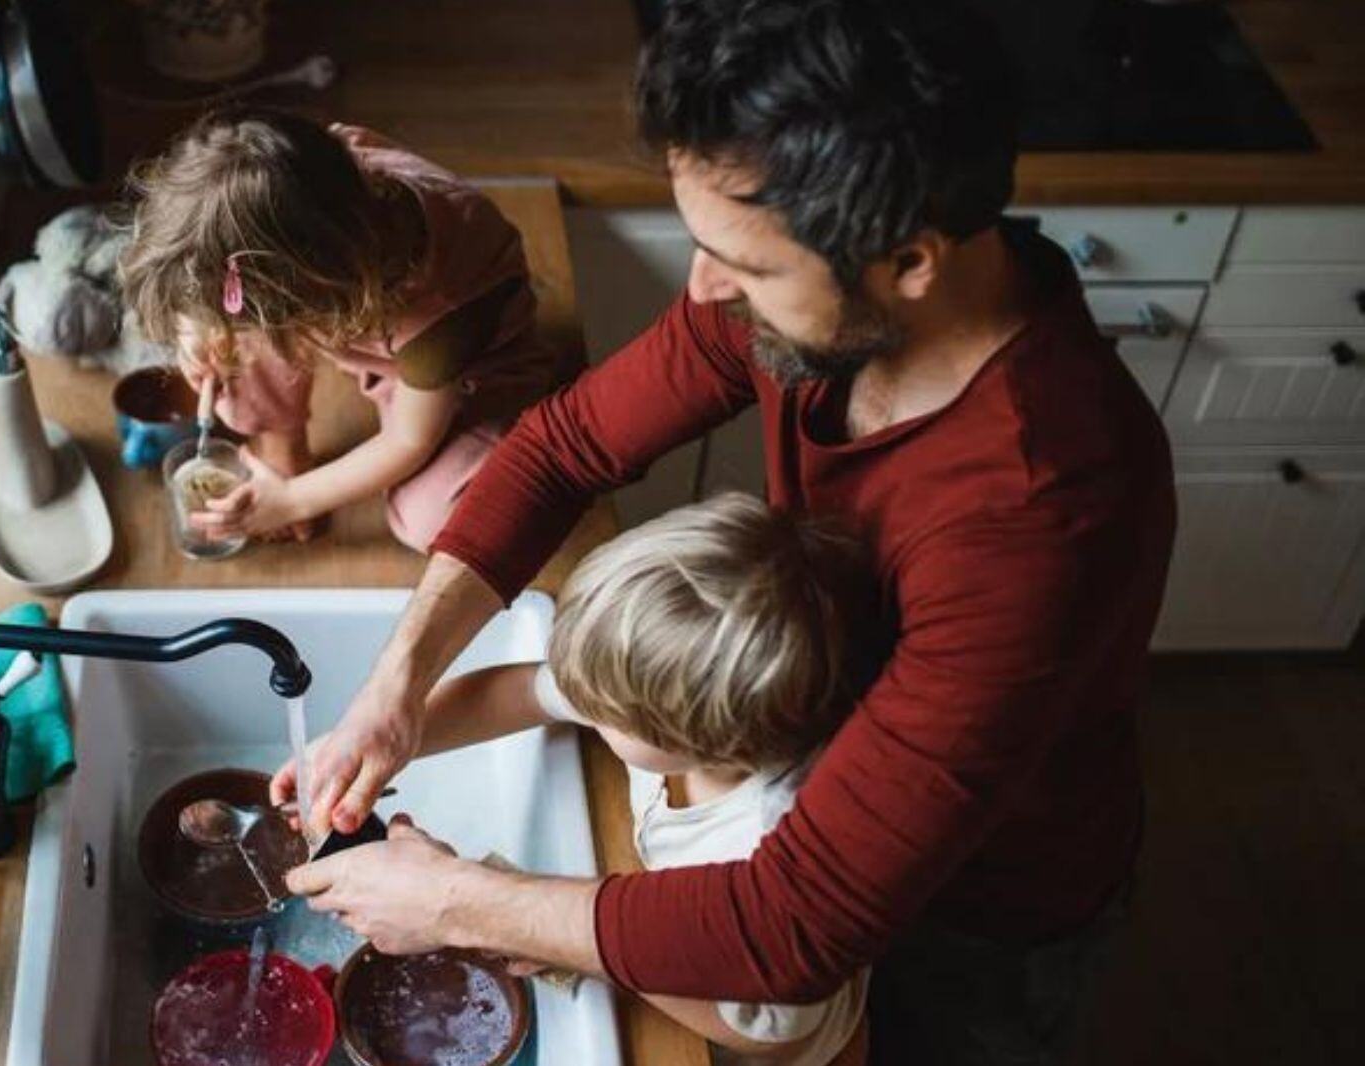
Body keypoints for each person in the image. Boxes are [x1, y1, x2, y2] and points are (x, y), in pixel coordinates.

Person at [278, 1, 1176, 1062]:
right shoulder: (802, 291)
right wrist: (397, 684)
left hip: (978, 904)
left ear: (910, 260)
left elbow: (793, 927)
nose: (702, 289)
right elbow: (562, 448)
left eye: (740, 267)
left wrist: (461, 903)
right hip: (795, 772)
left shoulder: (1041, 514)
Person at [408, 494, 880, 1064]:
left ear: (697, 745)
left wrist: (567, 942)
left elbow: (761, 1028)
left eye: (601, 710)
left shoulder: (764, 840)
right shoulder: (669, 702)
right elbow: (519, 692)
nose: (577, 700)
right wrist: (395, 741)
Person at [120, 108, 575, 549]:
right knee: (230, 338)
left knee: (436, 521)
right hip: (345, 307)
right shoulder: (317, 171)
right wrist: (195, 330)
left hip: (470, 372)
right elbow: (233, 256)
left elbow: (409, 441)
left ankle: (504, 428)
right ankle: (283, 447)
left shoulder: (442, 311)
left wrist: (295, 501)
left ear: (323, 301)